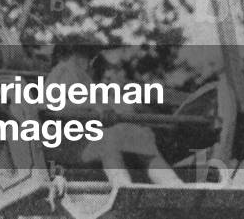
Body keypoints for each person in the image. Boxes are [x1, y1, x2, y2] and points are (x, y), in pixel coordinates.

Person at [44, 38, 181, 187]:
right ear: (63, 57)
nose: (85, 62)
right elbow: (54, 105)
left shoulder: (85, 81)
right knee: (108, 140)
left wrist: (119, 110)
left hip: (89, 138)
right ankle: (122, 184)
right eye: (79, 57)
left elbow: (106, 104)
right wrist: (95, 108)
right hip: (69, 144)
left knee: (141, 136)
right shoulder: (63, 71)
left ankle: (171, 182)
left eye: (87, 57)